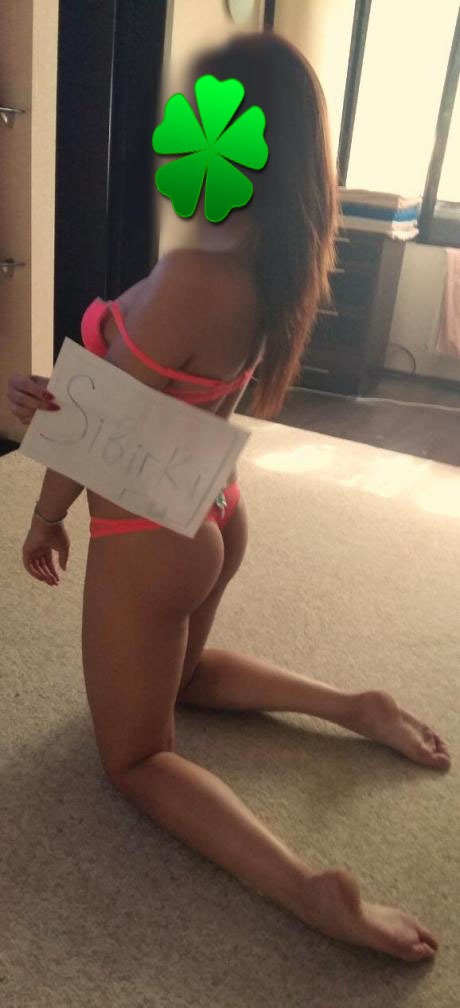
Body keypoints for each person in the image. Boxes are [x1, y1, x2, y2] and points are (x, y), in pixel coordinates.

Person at [7, 32, 450, 962]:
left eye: (195, 112)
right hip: (211, 507)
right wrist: (64, 389)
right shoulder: (269, 267)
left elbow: (98, 426)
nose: (176, 129)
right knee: (179, 676)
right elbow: (154, 390)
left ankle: (307, 889)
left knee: (137, 759)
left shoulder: (191, 274)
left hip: (148, 531)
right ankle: (354, 705)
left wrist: (46, 516)